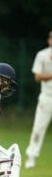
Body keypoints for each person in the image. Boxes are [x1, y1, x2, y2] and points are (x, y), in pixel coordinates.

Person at [25, 30, 52, 169]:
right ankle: (31, 157)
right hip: (47, 97)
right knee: (38, 128)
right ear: (49, 40)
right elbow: (37, 77)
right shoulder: (42, 55)